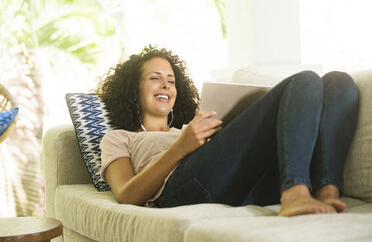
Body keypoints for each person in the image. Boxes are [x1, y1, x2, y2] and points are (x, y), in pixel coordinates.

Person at [96, 45, 359, 217]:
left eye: (171, 81)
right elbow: (127, 195)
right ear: (133, 88)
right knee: (305, 80)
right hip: (183, 190)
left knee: (339, 82)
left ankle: (327, 192)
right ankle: (295, 192)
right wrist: (181, 148)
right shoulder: (119, 137)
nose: (166, 85)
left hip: (241, 183)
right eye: (155, 78)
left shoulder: (189, 128)